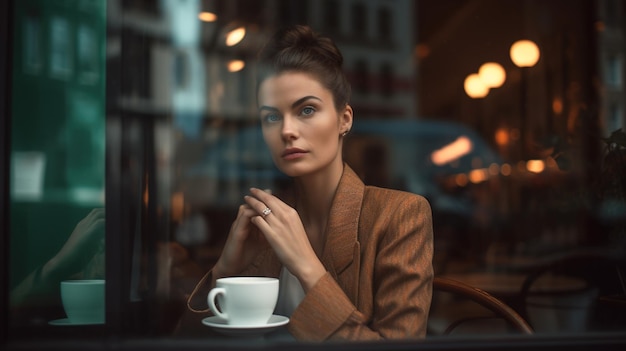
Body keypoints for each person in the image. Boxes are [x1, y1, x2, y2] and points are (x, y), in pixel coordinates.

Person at [187, 25, 433, 341]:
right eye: (272, 117)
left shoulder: (400, 215)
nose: (287, 130)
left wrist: (306, 267)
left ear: (344, 119)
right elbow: (196, 343)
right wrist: (225, 269)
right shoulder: (265, 222)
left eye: (306, 109)